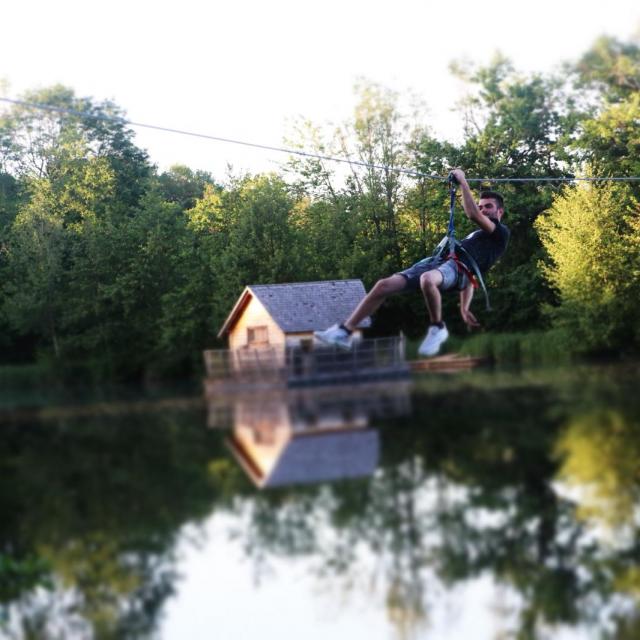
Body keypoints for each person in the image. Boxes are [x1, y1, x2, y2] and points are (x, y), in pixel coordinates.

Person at [314, 168, 510, 357]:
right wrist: (464, 307)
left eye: (488, 207)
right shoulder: (477, 235)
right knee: (383, 286)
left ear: (500, 211)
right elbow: (470, 279)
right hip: (439, 262)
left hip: (457, 268)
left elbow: (472, 218)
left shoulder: (501, 233)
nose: (483, 210)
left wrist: (463, 182)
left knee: (427, 279)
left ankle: (437, 327)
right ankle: (345, 332)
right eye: (481, 206)